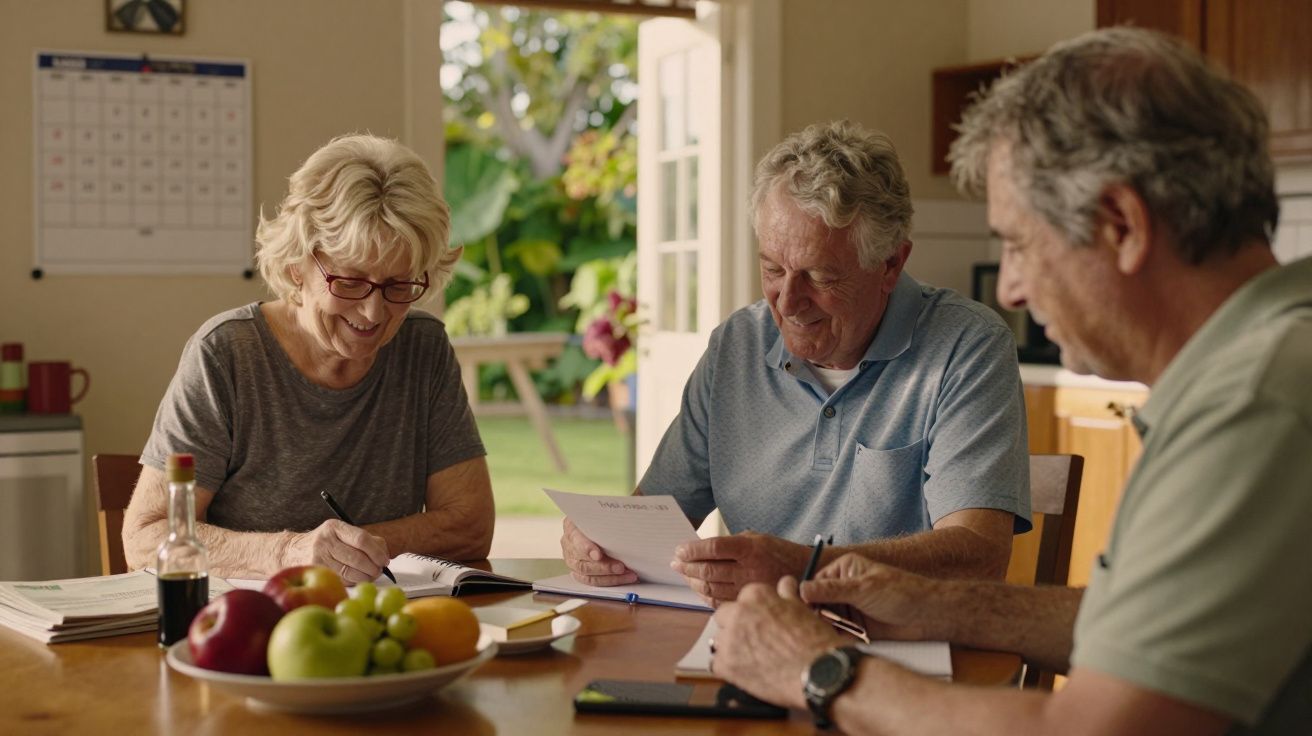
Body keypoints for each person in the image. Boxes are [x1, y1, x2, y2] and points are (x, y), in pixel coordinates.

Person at [710, 27, 1312, 735]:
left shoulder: (1255, 406)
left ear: (1122, 225)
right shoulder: (1265, 365)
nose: (1015, 288)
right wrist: (943, 603)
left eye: (1021, 244)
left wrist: (819, 670)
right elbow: (1148, 627)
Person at [562, 120, 1031, 605]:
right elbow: (653, 519)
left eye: (819, 276)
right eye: (773, 269)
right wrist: (600, 543)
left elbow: (979, 554)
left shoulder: (967, 347)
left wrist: (804, 569)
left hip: (904, 649)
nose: (787, 301)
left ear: (891, 264)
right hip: (752, 643)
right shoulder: (735, 348)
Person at [122, 134, 494, 583]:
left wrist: (346, 551)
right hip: (245, 628)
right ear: (298, 266)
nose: (374, 313)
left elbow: (470, 525)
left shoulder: (423, 349)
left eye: (399, 286)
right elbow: (145, 539)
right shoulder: (225, 355)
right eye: (351, 281)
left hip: (380, 623)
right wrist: (287, 552)